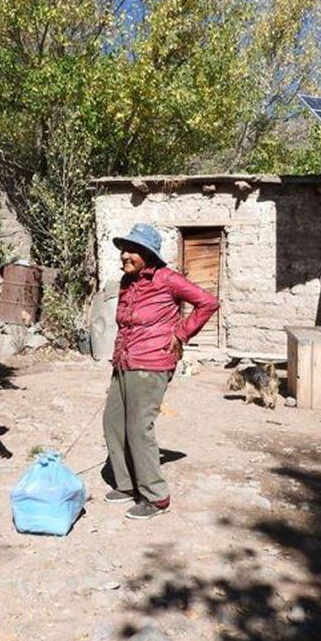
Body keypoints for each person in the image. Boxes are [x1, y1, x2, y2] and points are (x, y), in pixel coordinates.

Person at [103, 223, 220, 520]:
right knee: (113, 423)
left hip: (152, 363)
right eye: (124, 250)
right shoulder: (127, 282)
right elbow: (126, 323)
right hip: (125, 361)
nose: (125, 256)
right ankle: (127, 484)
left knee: (139, 428)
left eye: (132, 251)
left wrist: (181, 333)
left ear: (147, 254)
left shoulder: (167, 279)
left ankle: (156, 497)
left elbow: (208, 302)